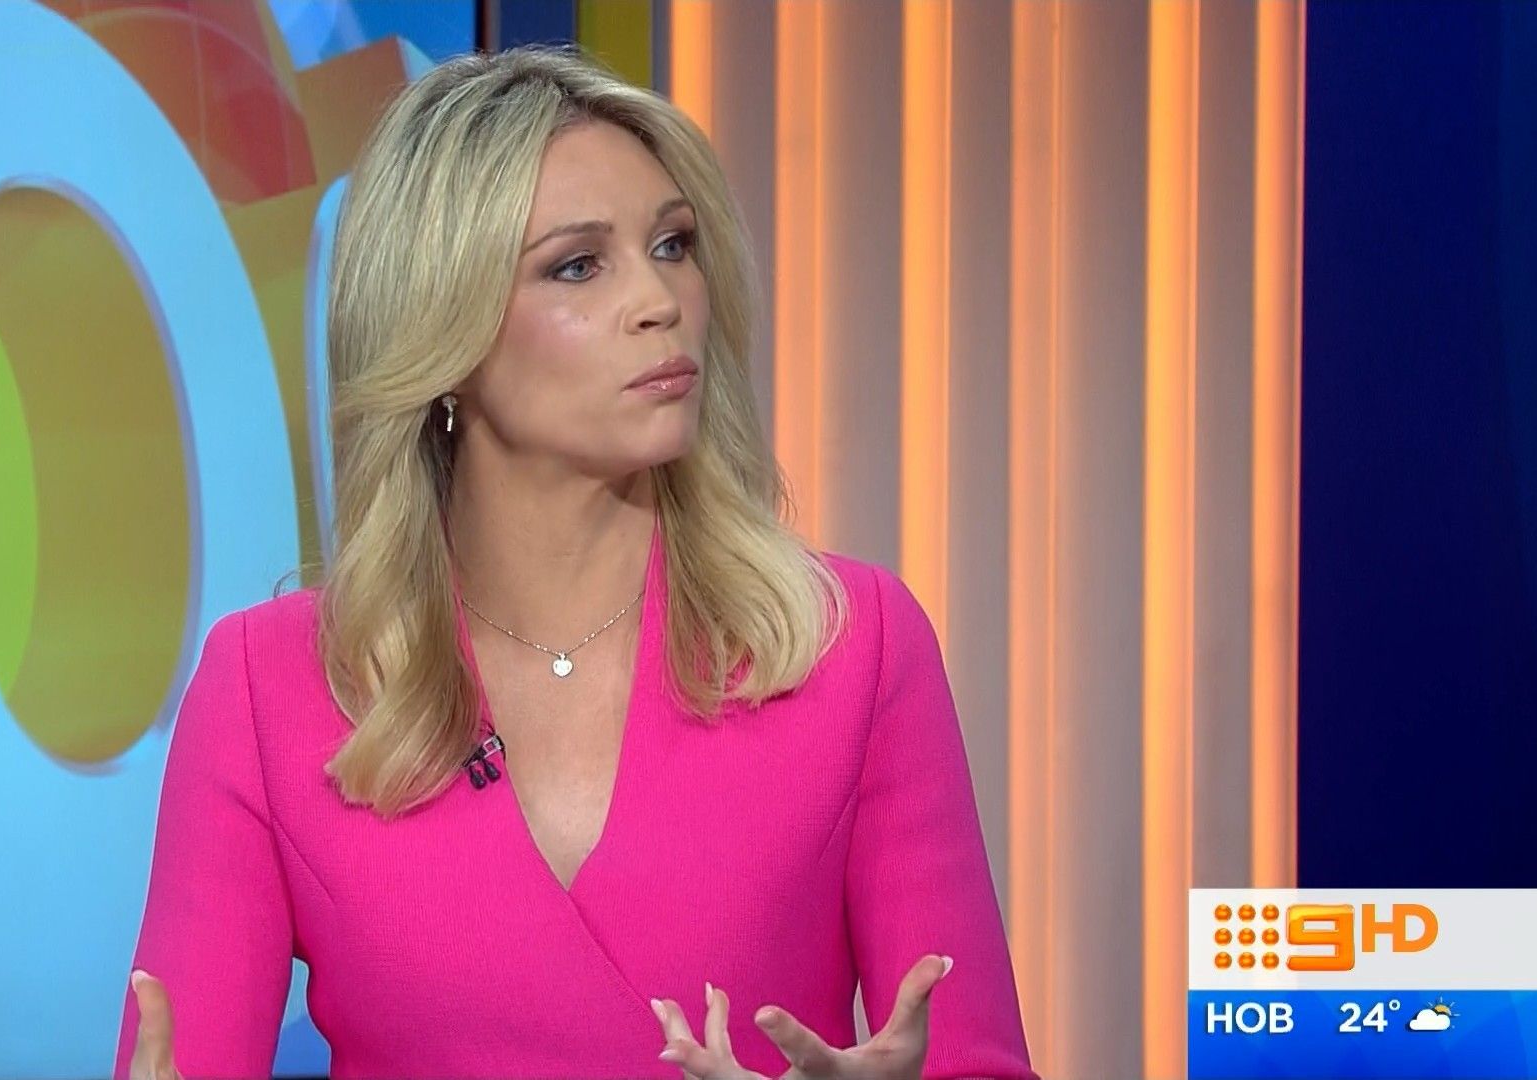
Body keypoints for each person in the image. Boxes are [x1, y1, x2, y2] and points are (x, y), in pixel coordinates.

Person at [114, 43, 1036, 1080]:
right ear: (442, 331)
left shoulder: (847, 647)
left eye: (673, 245)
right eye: (578, 265)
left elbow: (972, 1060)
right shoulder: (269, 687)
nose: (661, 300)